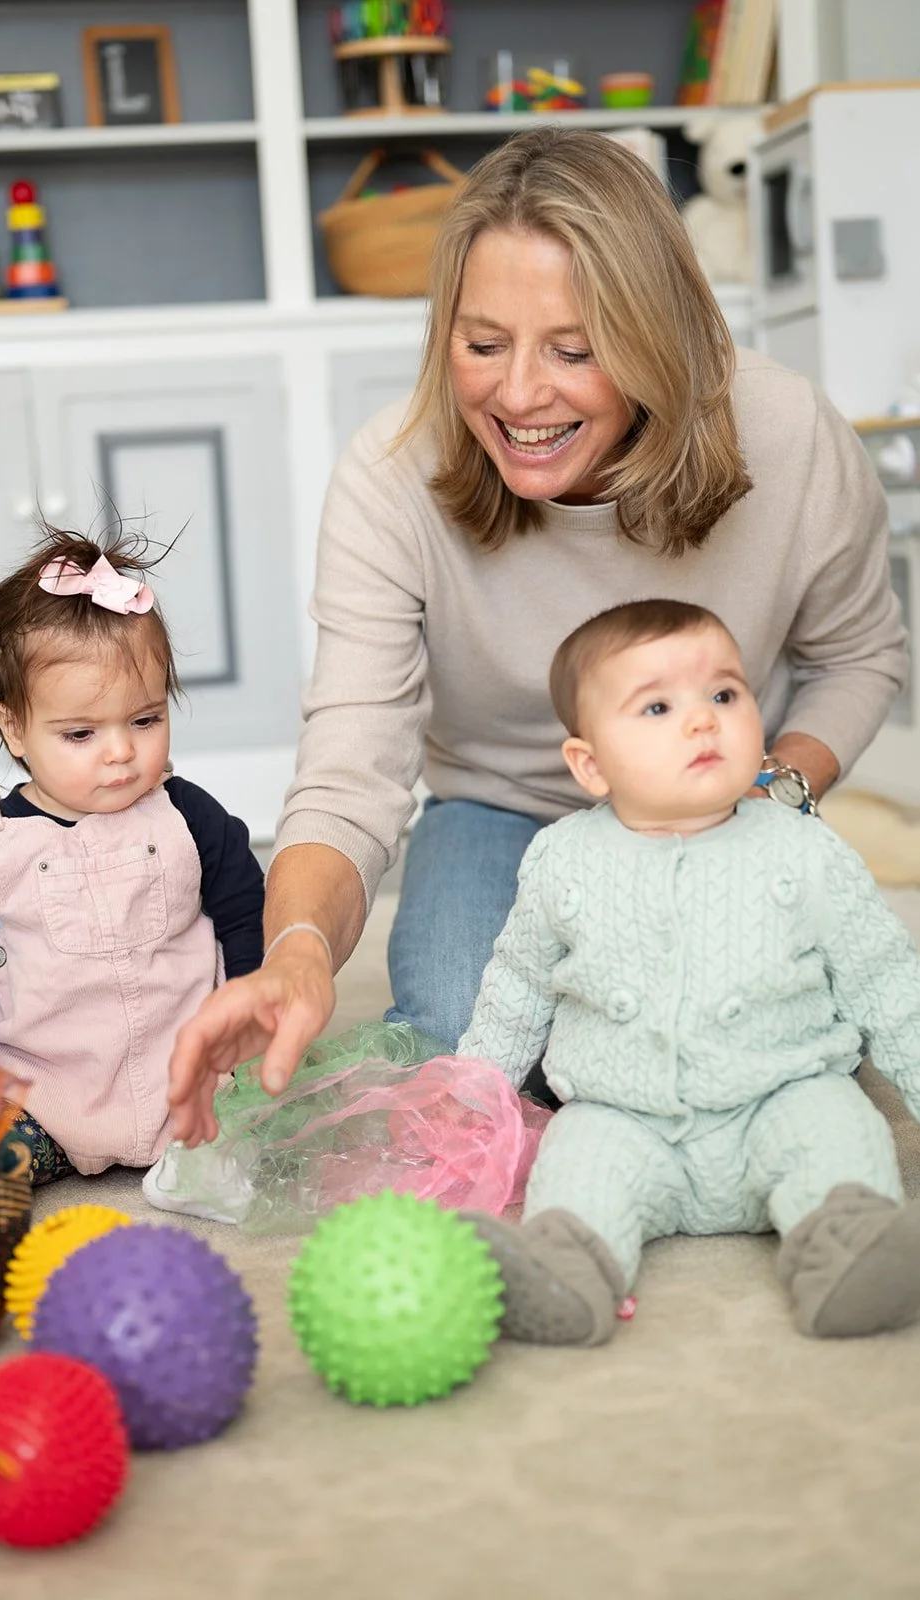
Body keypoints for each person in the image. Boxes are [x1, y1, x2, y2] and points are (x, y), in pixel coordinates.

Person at [167, 125, 906, 1150]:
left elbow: (857, 655)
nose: (518, 395)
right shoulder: (391, 477)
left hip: (724, 806)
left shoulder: (787, 432)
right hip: (501, 812)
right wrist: (296, 951)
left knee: (775, 1047)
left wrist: (760, 795)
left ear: (659, 338)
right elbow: (351, 770)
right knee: (467, 1065)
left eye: (575, 349)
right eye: (482, 345)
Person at [457, 598, 920, 1346]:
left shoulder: (803, 851)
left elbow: (886, 981)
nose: (702, 720)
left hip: (779, 1096)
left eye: (724, 695)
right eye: (657, 707)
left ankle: (844, 1249)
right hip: (625, 1115)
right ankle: (568, 1269)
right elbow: (516, 986)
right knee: (579, 1161)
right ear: (590, 764)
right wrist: (473, 1087)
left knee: (838, 1132)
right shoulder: (561, 860)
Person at [0, 527, 264, 1184]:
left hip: (190, 1087)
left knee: (292, 1133)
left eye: (145, 720)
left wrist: (250, 1009)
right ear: (12, 726)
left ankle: (204, 1149)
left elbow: (246, 914)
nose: (120, 752)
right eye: (80, 733)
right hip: (43, 1099)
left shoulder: (189, 817)